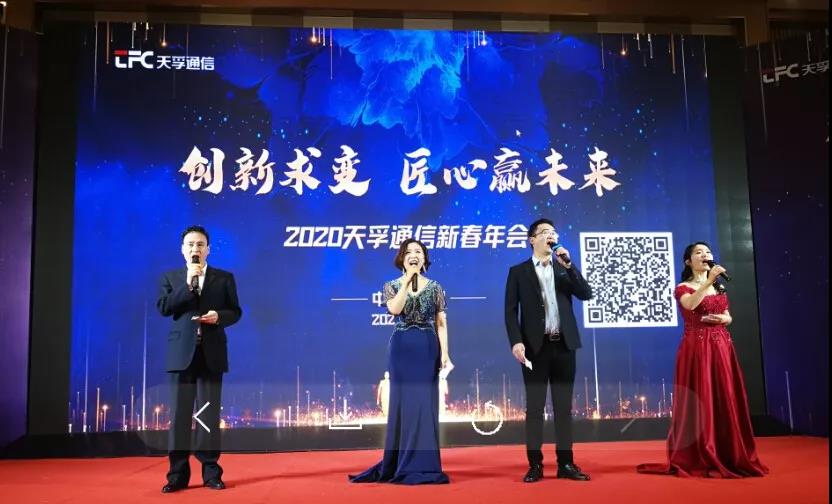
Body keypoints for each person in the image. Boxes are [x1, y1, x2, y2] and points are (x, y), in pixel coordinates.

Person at [638, 242, 768, 478]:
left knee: (724, 395)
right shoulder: (683, 287)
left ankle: (729, 451)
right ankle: (700, 453)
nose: (705, 255)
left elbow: (728, 316)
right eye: (699, 252)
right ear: (688, 261)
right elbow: (690, 304)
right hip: (697, 347)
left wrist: (724, 319)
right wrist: (708, 282)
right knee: (700, 396)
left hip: (722, 346)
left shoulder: (719, 287)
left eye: (707, 252)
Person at [350, 238, 452, 484]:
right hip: (402, 348)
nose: (414, 255)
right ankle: (399, 462)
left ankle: (425, 464)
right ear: (402, 259)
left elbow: (441, 323)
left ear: (424, 258)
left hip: (427, 347)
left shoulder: (436, 287)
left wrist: (445, 354)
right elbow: (395, 310)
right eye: (409, 252)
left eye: (418, 251)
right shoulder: (392, 285)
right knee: (402, 406)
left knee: (424, 406)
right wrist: (407, 281)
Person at [505, 218, 593, 483]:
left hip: (565, 346)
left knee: (563, 408)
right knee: (534, 409)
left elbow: (586, 293)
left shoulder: (563, 268)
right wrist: (516, 341)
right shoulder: (518, 272)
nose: (550, 236)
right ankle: (535, 465)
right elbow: (510, 312)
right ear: (532, 239)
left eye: (553, 232)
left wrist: (570, 265)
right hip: (535, 348)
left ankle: (566, 463)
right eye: (544, 232)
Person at [156, 225, 242, 493]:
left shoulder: (224, 278)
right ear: (183, 249)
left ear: (208, 249)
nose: (195, 248)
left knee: (208, 416)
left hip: (211, 354)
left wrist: (219, 317)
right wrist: (187, 285)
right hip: (180, 355)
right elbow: (164, 307)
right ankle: (177, 475)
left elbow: (236, 312)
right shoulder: (171, 277)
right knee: (179, 416)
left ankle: (211, 472)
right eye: (191, 244)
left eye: (200, 244)